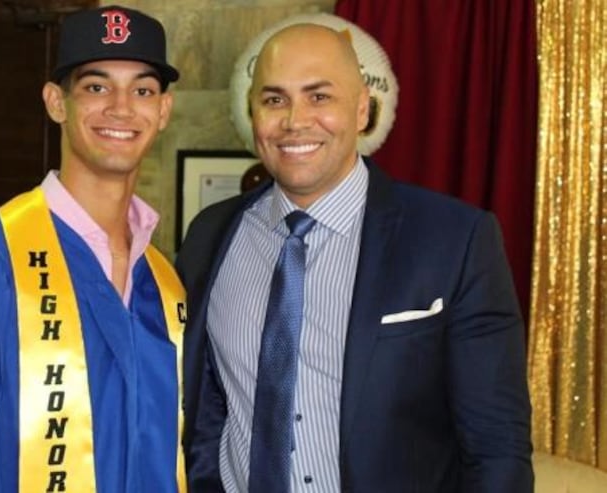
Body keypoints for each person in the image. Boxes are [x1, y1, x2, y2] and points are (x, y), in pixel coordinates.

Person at [177, 24, 533, 492]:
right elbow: (202, 411)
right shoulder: (209, 236)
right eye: (274, 99)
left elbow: (496, 449)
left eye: (319, 97)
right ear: (253, 112)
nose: (294, 120)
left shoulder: (455, 241)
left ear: (362, 107)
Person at [0, 5, 187, 492]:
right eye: (96, 86)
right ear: (55, 102)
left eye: (143, 90)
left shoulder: (165, 287)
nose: (122, 108)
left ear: (163, 111)